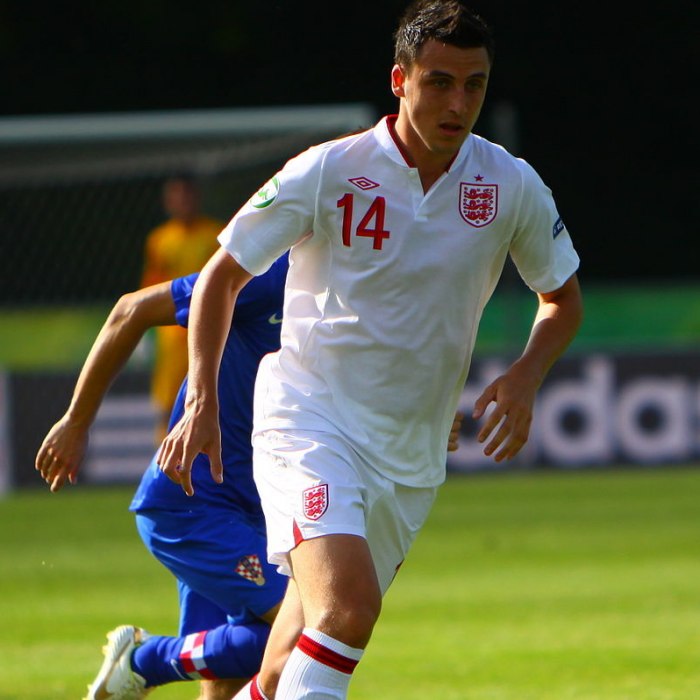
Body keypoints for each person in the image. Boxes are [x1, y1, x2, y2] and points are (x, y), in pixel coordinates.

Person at [157, 1, 584, 698]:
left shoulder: (509, 184)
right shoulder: (330, 169)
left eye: (474, 85)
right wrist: (201, 396)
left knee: (287, 658)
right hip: (310, 421)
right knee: (349, 610)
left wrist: (527, 373)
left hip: (410, 455)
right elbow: (220, 277)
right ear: (400, 80)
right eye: (439, 82)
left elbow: (562, 299)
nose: (458, 103)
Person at [35, 256, 290, 700]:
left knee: (225, 682)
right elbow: (130, 310)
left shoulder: (355, 293)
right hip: (194, 506)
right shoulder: (269, 275)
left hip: (261, 505)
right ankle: (143, 660)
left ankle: (144, 662)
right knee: (296, 630)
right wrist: (76, 421)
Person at [141, 174, 224, 442]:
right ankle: (163, 456)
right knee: (168, 402)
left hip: (208, 327)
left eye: (186, 195)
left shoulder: (215, 235)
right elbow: (152, 284)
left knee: (212, 393)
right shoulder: (159, 240)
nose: (182, 202)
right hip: (172, 332)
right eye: (175, 196)